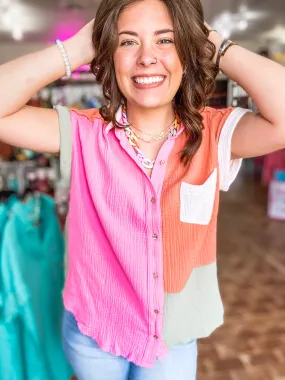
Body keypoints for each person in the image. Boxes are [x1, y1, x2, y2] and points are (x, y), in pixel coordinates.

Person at [0, 0, 285, 379]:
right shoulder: (84, 132)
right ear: (109, 56)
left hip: (173, 338)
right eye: (128, 42)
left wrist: (214, 45)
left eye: (165, 40)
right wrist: (74, 50)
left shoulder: (215, 133)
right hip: (95, 334)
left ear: (187, 49)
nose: (147, 58)